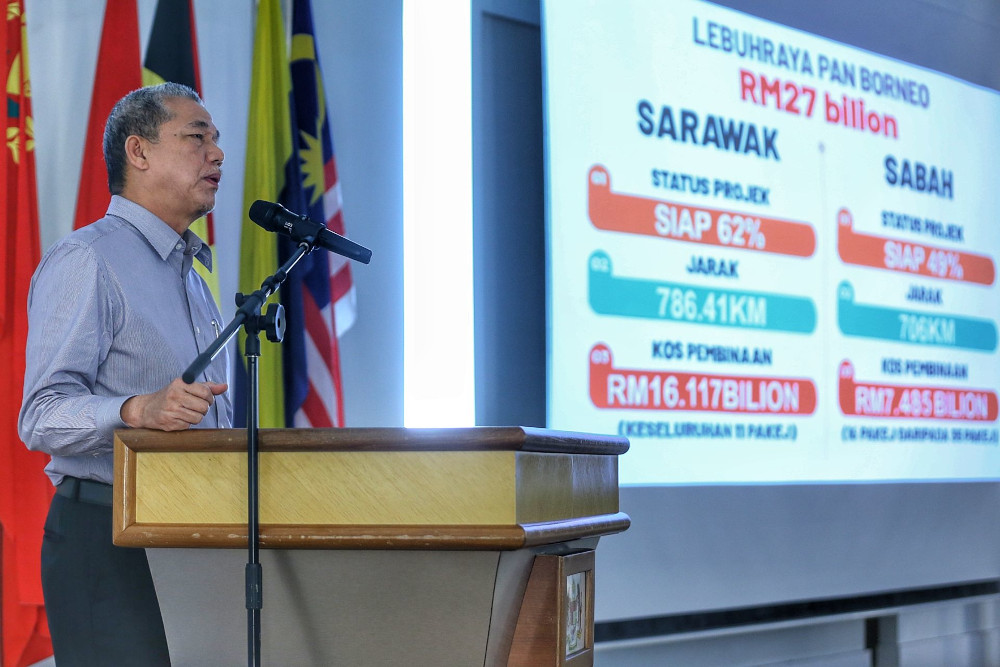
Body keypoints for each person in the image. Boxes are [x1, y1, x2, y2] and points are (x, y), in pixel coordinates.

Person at [18, 82, 233, 666]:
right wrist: (136, 410)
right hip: (107, 538)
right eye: (196, 138)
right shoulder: (89, 260)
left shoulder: (191, 275)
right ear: (138, 153)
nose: (217, 154)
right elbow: (40, 415)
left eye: (217, 140)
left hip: (186, 539)